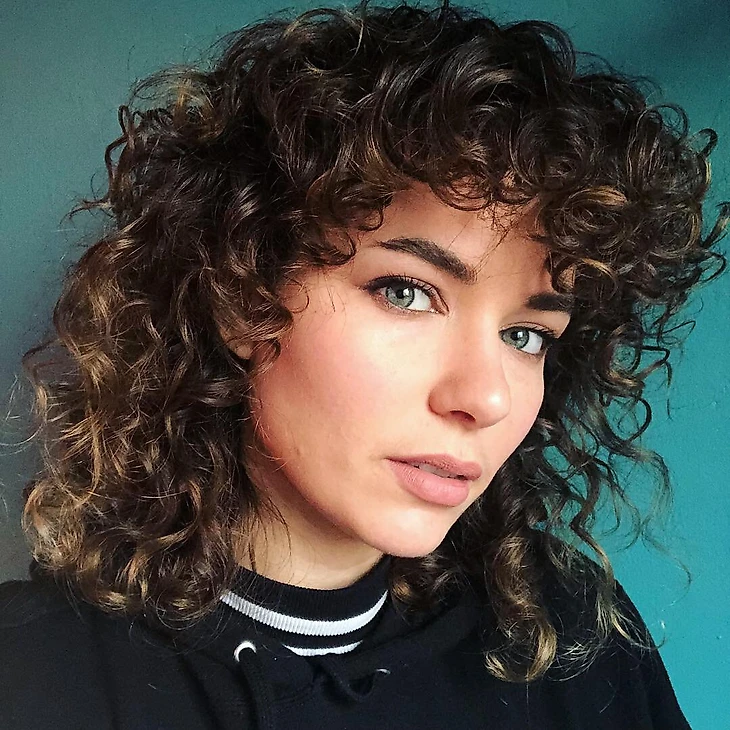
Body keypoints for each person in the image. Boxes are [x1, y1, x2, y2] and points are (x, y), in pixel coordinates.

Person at [0, 1, 726, 728]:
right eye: (406, 293)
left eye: (527, 334)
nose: (485, 398)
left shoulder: (572, 638)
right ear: (243, 298)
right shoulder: (35, 674)